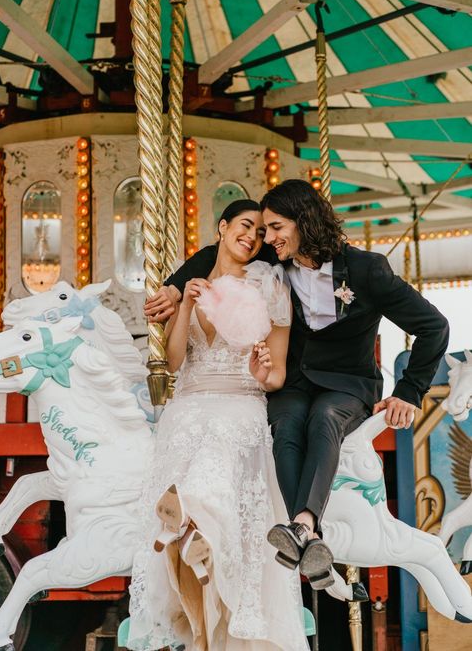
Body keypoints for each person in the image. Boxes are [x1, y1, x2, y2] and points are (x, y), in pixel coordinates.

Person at [146, 180, 449, 590]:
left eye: (274, 228)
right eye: (264, 230)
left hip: (347, 385)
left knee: (323, 418)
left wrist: (409, 392)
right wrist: (175, 285)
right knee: (284, 420)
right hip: (296, 381)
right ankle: (307, 541)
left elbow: (434, 327)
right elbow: (214, 256)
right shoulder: (279, 259)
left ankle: (304, 525)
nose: (266, 238)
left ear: (303, 222)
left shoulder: (366, 270)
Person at [128, 199, 309, 651]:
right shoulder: (192, 285)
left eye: (261, 233)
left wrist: (261, 369)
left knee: (218, 449)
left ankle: (193, 524)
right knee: (192, 434)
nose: (253, 237)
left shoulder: (270, 288)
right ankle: (189, 543)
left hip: (240, 400)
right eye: (246, 226)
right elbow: (170, 364)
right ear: (222, 227)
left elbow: (278, 376)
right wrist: (184, 305)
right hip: (188, 404)